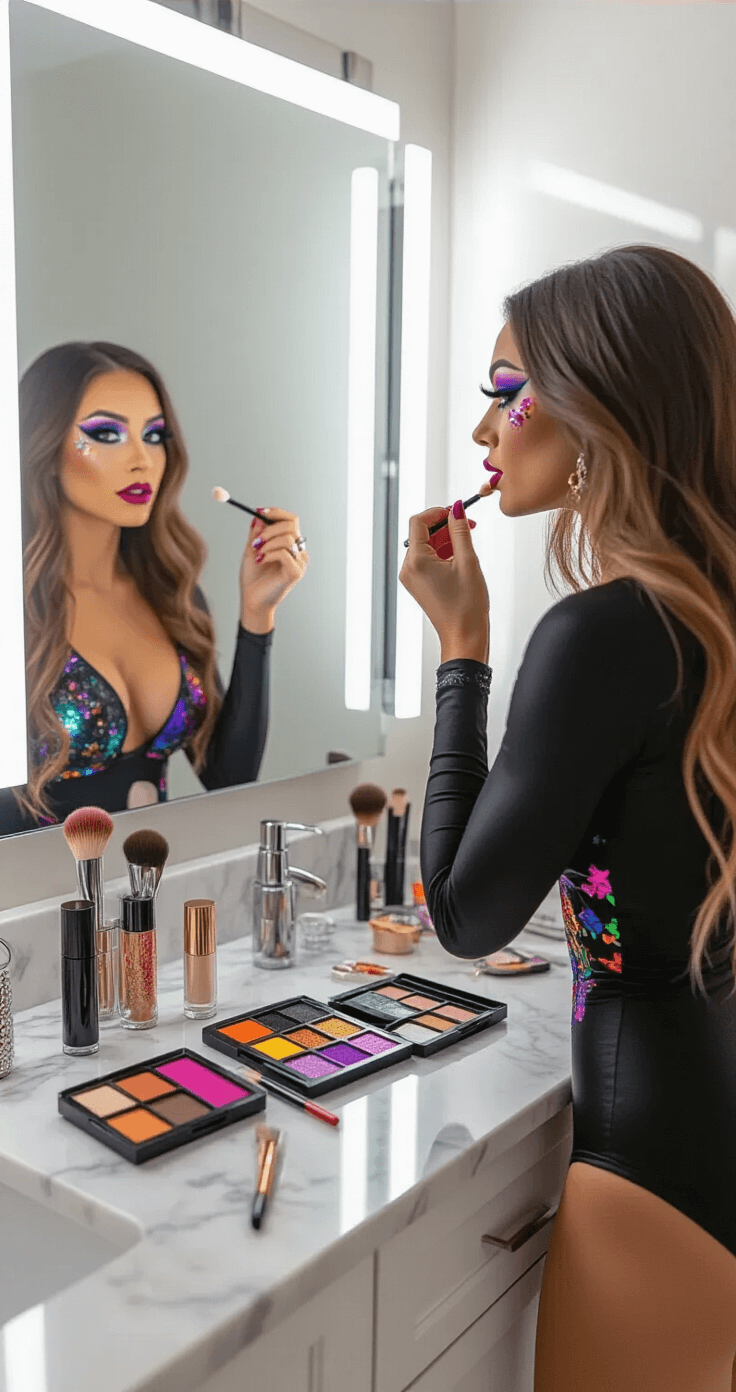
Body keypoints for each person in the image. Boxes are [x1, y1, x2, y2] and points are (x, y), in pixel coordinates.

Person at [401, 244, 736, 1392]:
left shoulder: (601, 635)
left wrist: (461, 647)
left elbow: (461, 911)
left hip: (656, 1176)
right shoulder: (712, 618)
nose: (485, 433)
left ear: (596, 406)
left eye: (506, 394)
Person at [0, 340, 308, 833]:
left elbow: (231, 779)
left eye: (154, 434)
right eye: (106, 434)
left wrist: (257, 616)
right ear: (43, 445)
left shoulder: (171, 594)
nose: (143, 459)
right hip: (33, 903)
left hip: (151, 896)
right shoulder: (12, 614)